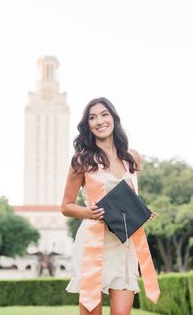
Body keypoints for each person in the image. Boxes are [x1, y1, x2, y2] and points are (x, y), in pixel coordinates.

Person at [61, 97, 160, 315]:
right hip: (93, 244)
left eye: (104, 114)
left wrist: (142, 212)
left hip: (124, 245)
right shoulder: (81, 161)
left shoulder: (132, 158)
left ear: (113, 118)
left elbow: (129, 197)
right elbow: (66, 206)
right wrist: (88, 212)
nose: (99, 121)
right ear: (88, 125)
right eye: (92, 117)